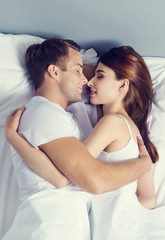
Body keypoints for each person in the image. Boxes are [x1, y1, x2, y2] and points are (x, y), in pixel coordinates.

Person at [4, 39, 152, 240]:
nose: (86, 80)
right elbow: (86, 179)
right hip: (48, 229)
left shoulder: (84, 118)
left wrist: (13, 138)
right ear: (54, 72)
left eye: (95, 75)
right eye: (78, 70)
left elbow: (64, 178)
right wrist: (142, 166)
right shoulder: (43, 112)